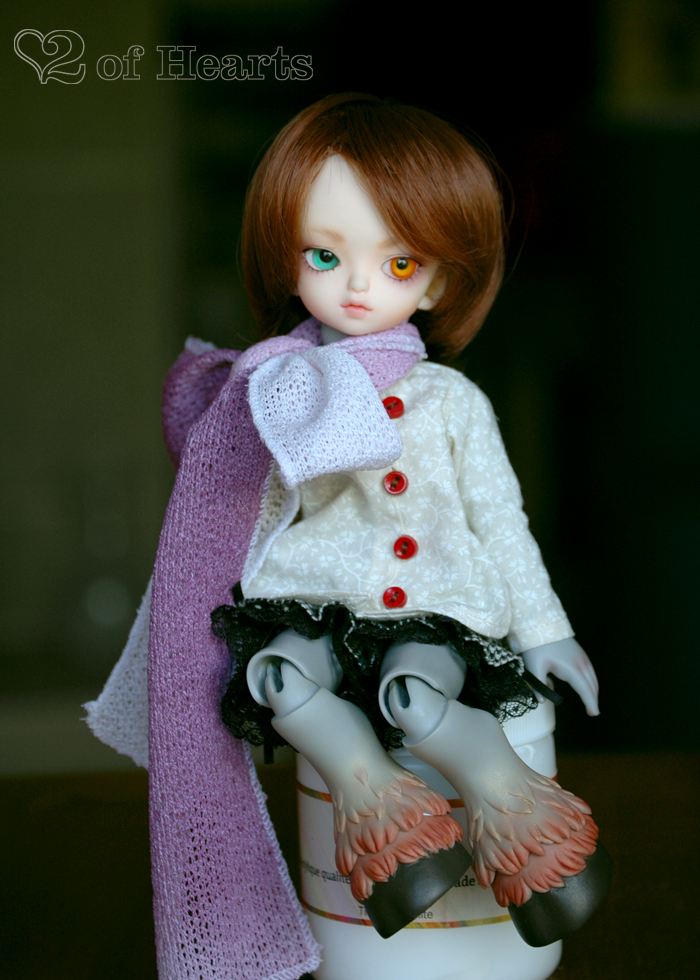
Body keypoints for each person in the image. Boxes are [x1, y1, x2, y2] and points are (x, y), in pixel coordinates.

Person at [85, 94, 609, 980]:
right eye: (326, 256)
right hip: (315, 608)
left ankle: (501, 792)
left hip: (437, 611)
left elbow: (501, 524)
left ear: (435, 283)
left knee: (414, 695)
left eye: (398, 261)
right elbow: (245, 519)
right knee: (276, 677)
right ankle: (377, 808)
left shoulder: (450, 402)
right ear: (287, 257)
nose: (359, 285)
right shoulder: (279, 394)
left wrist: (546, 631)